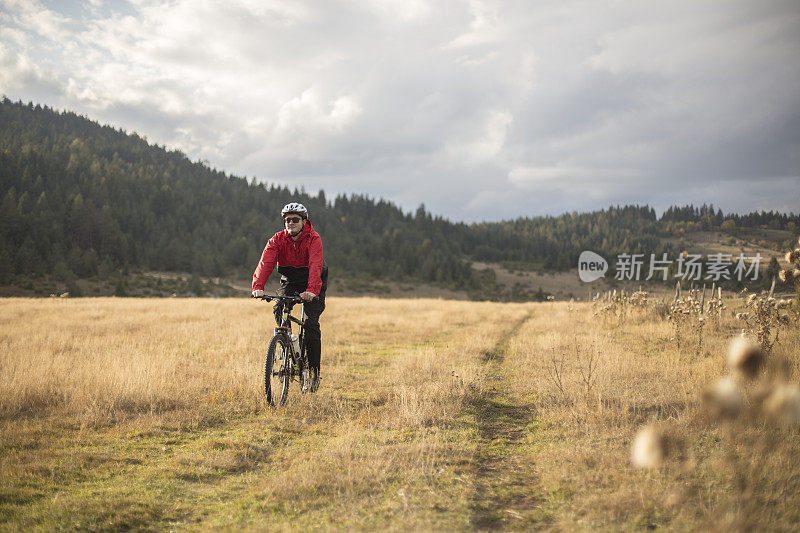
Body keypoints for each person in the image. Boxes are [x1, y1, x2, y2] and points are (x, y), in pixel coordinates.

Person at [252, 202, 327, 392]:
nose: (290, 223)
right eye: (287, 220)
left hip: (313, 281)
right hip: (291, 281)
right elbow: (266, 262)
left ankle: (313, 372)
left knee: (310, 324)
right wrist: (258, 286)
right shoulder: (277, 239)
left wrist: (311, 290)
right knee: (278, 307)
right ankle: (288, 340)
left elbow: (316, 266)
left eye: (295, 220)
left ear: (304, 221)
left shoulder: (313, 239)